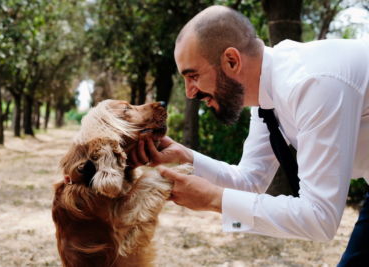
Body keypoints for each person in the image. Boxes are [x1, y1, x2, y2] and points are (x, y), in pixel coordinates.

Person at [129, 5, 369, 266]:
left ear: (232, 61)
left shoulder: (312, 84)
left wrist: (213, 198)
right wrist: (185, 157)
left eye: (193, 76)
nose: (189, 93)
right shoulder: (267, 100)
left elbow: (320, 219)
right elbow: (250, 181)